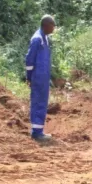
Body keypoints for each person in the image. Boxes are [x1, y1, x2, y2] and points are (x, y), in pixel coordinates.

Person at [25, 15, 55, 143]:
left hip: (43, 77)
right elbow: (29, 59)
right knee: (38, 102)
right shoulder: (37, 39)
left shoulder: (45, 38)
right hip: (37, 77)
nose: (53, 29)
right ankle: (36, 133)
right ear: (46, 25)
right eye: (52, 26)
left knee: (42, 102)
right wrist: (29, 77)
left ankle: (39, 131)